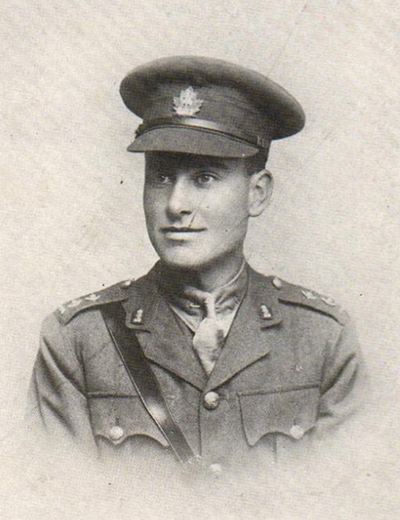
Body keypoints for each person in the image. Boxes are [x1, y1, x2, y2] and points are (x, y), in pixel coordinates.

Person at [27, 56, 364, 477]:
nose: (176, 205)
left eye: (205, 177)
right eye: (162, 177)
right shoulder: (78, 340)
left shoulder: (322, 338)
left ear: (257, 194)